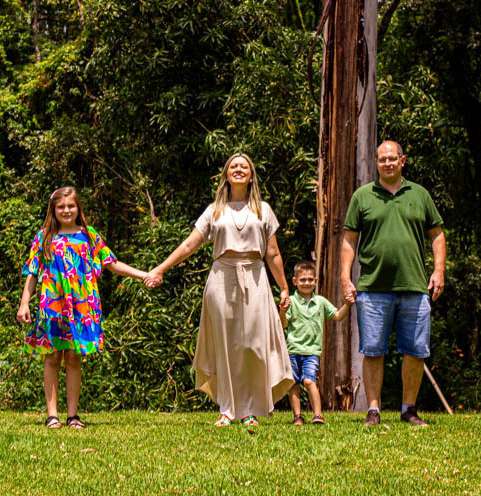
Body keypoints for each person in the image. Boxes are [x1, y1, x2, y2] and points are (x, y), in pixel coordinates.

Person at [145, 153, 294, 426]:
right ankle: (227, 409)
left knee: (253, 344)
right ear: (226, 174)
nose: (238, 170)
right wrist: (161, 268)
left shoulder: (264, 209)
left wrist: (283, 288)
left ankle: (250, 409)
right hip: (221, 277)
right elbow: (190, 245)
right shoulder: (214, 210)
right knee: (226, 344)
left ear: (251, 176)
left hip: (256, 276)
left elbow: (272, 254)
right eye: (233, 167)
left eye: (244, 167)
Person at [16, 186, 149, 429]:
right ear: (53, 210)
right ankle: (52, 415)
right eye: (61, 207)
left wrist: (144, 275)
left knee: (74, 358)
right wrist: (25, 302)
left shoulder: (89, 235)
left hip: (81, 306)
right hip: (52, 306)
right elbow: (32, 272)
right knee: (52, 357)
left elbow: (112, 263)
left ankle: (73, 415)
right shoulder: (44, 237)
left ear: (78, 208)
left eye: (70, 206)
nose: (66, 210)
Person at [340, 140, 446, 426]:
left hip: (414, 286)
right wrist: (345, 278)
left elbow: (437, 234)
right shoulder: (363, 196)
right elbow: (349, 240)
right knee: (373, 350)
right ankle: (373, 410)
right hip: (373, 288)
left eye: (392, 159)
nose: (387, 163)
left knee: (415, 350)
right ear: (376, 163)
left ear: (403, 161)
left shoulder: (420, 194)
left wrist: (439, 271)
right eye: (382, 159)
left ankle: (408, 409)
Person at [279, 260, 355, 425]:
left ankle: (317, 414)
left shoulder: (320, 301)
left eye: (310, 280)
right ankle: (297, 416)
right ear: (295, 281)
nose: (306, 283)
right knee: (294, 384)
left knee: (309, 380)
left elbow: (337, 316)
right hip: (293, 350)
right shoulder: (291, 302)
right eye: (302, 280)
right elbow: (284, 324)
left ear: (316, 281)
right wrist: (282, 312)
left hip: (312, 351)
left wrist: (347, 305)